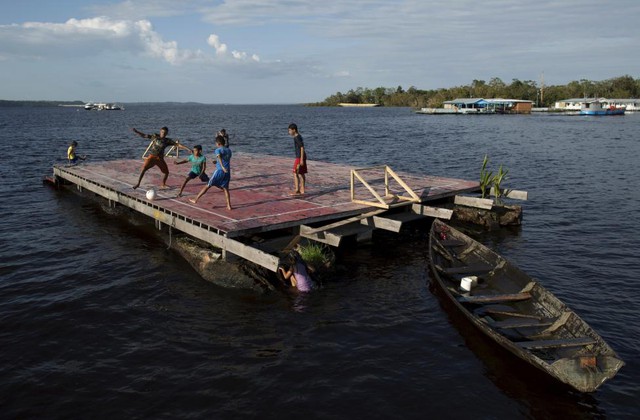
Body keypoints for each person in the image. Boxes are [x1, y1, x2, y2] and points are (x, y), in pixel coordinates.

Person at [189, 135, 232, 210]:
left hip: (220, 171)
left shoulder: (217, 150)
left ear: (218, 143)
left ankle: (195, 199)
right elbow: (225, 159)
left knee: (207, 185)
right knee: (225, 188)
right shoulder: (229, 150)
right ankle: (229, 205)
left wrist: (221, 167)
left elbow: (219, 157)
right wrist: (217, 162)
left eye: (216, 143)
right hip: (227, 172)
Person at [287, 123, 307, 195]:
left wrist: (301, 159)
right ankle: (302, 190)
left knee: (295, 173)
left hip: (299, 157)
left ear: (294, 130)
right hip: (301, 157)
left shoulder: (296, 137)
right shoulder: (299, 136)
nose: (289, 132)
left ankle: (297, 190)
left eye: (289, 130)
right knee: (301, 173)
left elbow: (302, 147)